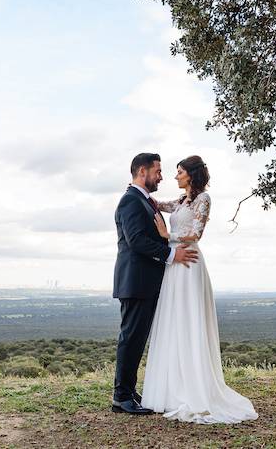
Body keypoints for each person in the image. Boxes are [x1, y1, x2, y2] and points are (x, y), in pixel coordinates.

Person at [141, 155, 258, 424]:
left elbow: (196, 234)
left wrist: (166, 237)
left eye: (179, 171)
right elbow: (157, 204)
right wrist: (139, 191)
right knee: (174, 320)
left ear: (191, 174)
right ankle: (171, 387)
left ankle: (194, 386)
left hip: (189, 263)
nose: (175, 176)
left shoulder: (203, 199)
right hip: (175, 266)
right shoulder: (181, 201)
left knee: (189, 320)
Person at [111, 153, 198, 415]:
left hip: (146, 281)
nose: (161, 176)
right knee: (131, 338)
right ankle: (121, 397)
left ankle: (128, 390)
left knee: (138, 339)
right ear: (142, 172)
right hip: (135, 281)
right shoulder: (130, 201)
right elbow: (136, 240)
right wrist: (173, 254)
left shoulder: (144, 200)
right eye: (157, 171)